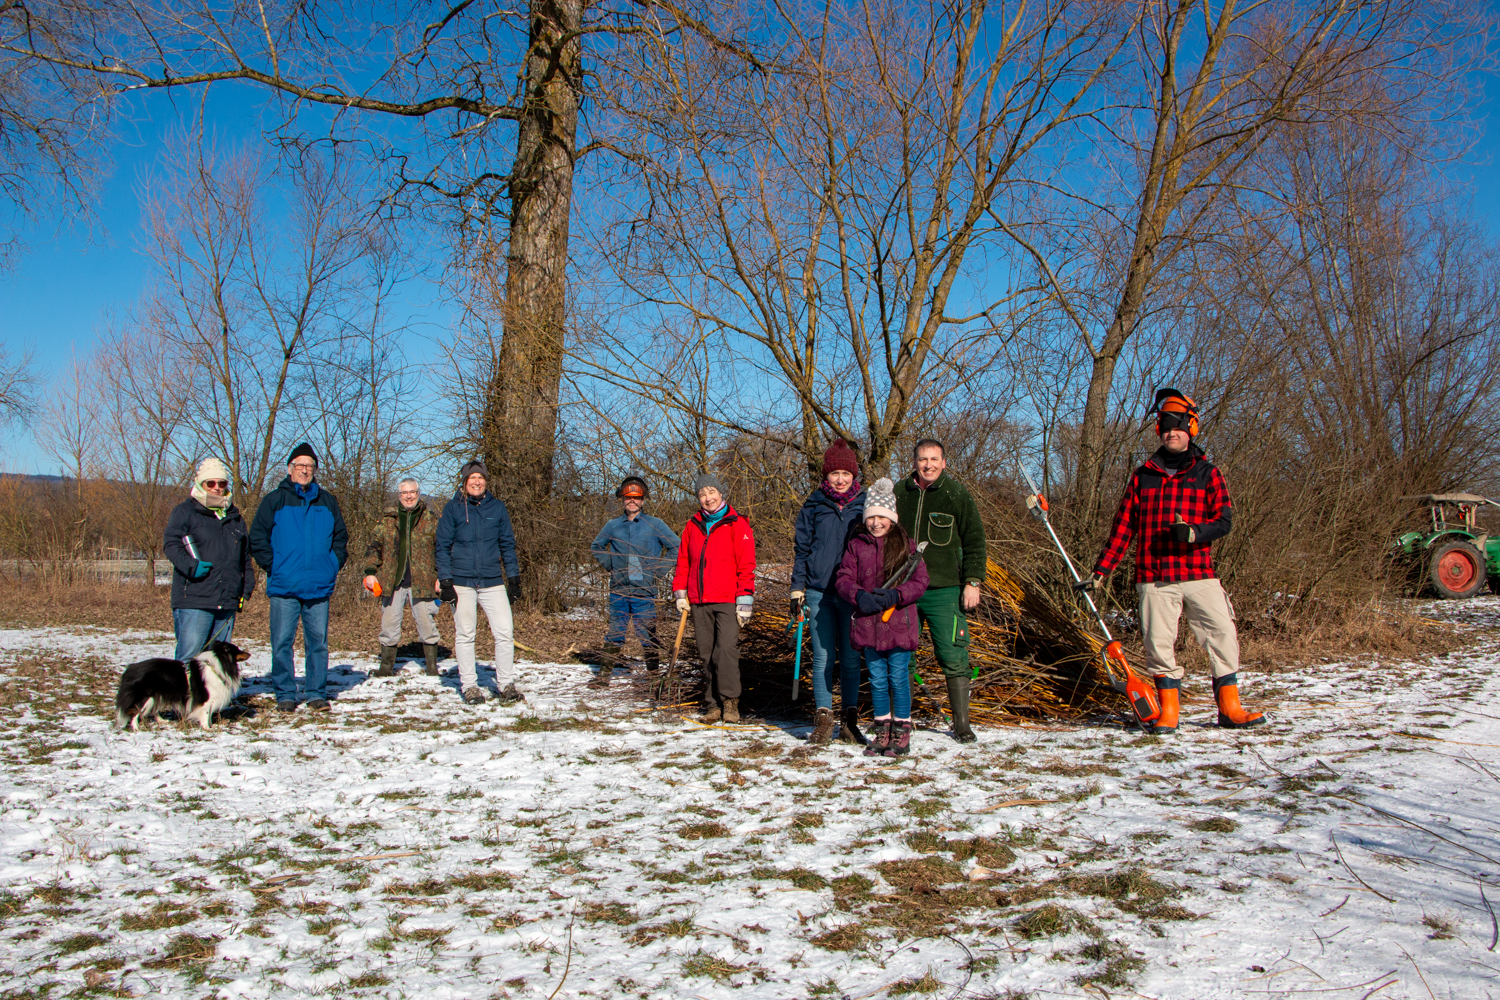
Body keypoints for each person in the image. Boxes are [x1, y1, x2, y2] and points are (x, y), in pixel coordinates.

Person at [1082, 388, 1263, 733]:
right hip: (1154, 576)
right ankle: (1169, 712)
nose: (1171, 433)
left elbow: (1224, 521)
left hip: (1199, 573)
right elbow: (1122, 529)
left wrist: (1194, 533)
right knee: (1158, 645)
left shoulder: (1208, 473)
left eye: (1178, 427)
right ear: (1159, 432)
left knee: (1222, 634)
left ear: (1192, 428)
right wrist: (1101, 571)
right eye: (1166, 427)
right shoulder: (1142, 476)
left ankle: (1230, 707)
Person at [893, 438, 987, 743]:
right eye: (923, 459)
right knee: (901, 654)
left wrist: (972, 581)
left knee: (953, 654)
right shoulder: (898, 493)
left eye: (934, 459)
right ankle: (900, 721)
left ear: (944, 462)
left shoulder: (956, 494)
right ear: (914, 462)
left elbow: (974, 539)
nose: (928, 465)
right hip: (904, 589)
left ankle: (962, 725)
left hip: (945, 589)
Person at [250, 443, 348, 712]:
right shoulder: (274, 500)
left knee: (318, 643)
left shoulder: (327, 501)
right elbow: (257, 538)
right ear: (289, 468)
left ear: (315, 470)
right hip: (284, 586)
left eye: (310, 466)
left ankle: (316, 693)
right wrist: (274, 566)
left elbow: (341, 538)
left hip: (319, 584)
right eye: (300, 465)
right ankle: (285, 694)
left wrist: (332, 564)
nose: (305, 470)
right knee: (282, 643)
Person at [836, 478, 929, 757]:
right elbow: (843, 579)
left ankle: (902, 730)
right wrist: (858, 595)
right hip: (868, 626)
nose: (876, 522)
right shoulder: (856, 546)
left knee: (898, 677)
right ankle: (882, 730)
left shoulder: (906, 546)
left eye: (882, 517)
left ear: (892, 518)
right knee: (876, 679)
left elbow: (920, 581)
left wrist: (896, 595)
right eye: (871, 517)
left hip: (899, 626)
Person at [790, 440, 867, 744]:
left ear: (853, 474)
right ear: (826, 474)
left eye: (845, 473)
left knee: (850, 658)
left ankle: (849, 721)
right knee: (822, 657)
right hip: (819, 591)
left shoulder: (864, 505)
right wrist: (797, 588)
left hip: (853, 593)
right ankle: (823, 719)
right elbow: (802, 549)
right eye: (834, 472)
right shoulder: (813, 504)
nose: (840, 478)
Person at [435, 459, 523, 706]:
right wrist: (446, 581)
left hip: (492, 580)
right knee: (465, 634)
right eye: (472, 478)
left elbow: (507, 545)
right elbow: (441, 546)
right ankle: (470, 686)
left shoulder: (498, 508)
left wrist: (514, 579)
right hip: (461, 581)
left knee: (504, 632)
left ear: (486, 481)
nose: (476, 482)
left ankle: (505, 684)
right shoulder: (453, 509)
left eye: (480, 478)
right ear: (464, 483)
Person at [671, 473, 756, 723]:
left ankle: (730, 703)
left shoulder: (737, 523)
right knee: (705, 653)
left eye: (711, 492)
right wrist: (680, 592)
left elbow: (747, 564)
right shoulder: (692, 525)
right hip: (698, 600)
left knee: (726, 651)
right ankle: (712, 704)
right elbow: (684, 561)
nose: (707, 498)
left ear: (722, 494)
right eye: (702, 494)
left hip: (727, 599)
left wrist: (745, 599)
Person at [588, 475, 680, 687]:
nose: (632, 501)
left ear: (643, 500)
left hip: (644, 592)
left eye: (636, 497)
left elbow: (676, 547)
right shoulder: (612, 526)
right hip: (619, 590)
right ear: (621, 499)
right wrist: (611, 565)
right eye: (628, 497)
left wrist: (658, 571)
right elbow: (596, 547)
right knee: (615, 633)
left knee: (648, 634)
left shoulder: (655, 524)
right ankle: (603, 676)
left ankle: (654, 677)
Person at [164, 457, 255, 662]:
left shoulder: (235, 517)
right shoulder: (185, 512)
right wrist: (191, 566)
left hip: (227, 601)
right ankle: (185, 694)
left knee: (217, 661)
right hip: (195, 599)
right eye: (210, 483)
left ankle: (213, 695)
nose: (216, 488)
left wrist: (246, 587)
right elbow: (171, 544)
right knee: (189, 658)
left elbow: (245, 557)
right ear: (200, 484)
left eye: (221, 483)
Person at [362, 478, 443, 678]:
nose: (408, 496)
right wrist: (370, 572)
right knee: (389, 625)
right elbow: (373, 546)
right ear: (399, 495)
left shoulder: (431, 519)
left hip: (423, 580)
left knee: (427, 624)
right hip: (392, 581)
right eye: (404, 492)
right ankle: (386, 667)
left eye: (412, 492)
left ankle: (432, 668)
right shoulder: (387, 519)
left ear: (418, 493)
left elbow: (442, 549)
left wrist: (442, 576)